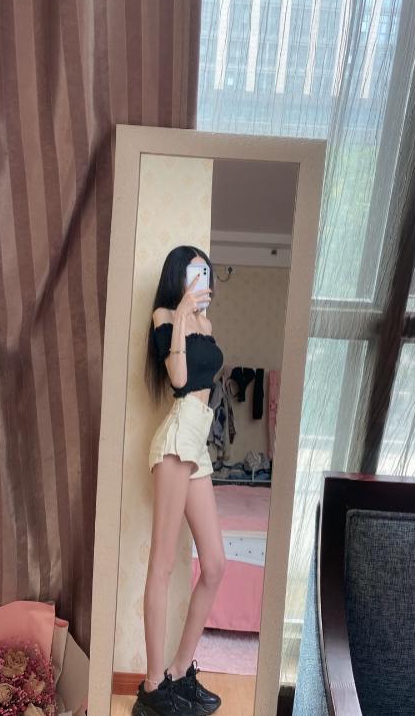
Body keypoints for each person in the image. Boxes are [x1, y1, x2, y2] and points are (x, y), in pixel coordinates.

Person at [132, 246, 226, 716]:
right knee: (164, 564)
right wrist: (184, 313)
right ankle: (153, 687)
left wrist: (197, 316)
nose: (202, 277)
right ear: (178, 275)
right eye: (194, 271)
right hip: (175, 439)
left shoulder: (205, 323)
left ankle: (178, 670)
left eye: (205, 270)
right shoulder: (166, 317)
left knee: (215, 564)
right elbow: (178, 378)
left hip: (197, 441)